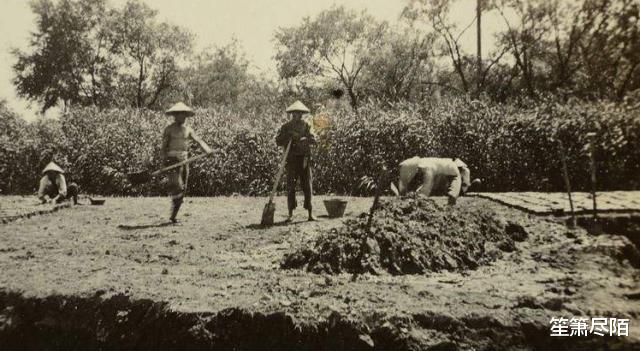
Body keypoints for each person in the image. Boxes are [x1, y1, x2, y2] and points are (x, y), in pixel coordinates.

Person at [161, 102, 212, 223]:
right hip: (171, 161)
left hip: (184, 161)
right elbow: (163, 149)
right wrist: (164, 162)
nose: (183, 117)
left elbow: (199, 141)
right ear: (175, 115)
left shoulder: (188, 129)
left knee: (183, 190)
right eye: (181, 115)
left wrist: (207, 150)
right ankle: (173, 205)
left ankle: (173, 217)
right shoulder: (169, 130)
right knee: (178, 187)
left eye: (185, 115)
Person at [276, 100, 317, 222]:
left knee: (307, 187)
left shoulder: (307, 126)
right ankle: (290, 214)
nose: (295, 116)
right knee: (290, 187)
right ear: (291, 114)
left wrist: (303, 138)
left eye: (298, 113)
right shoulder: (286, 127)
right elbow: (278, 141)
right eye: (293, 113)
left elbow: (314, 140)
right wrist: (289, 137)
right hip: (292, 160)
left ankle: (310, 213)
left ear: (301, 114)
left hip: (304, 160)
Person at [397, 157, 480, 205]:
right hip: (432, 167)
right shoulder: (455, 166)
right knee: (454, 185)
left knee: (425, 187)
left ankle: (451, 201)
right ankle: (451, 202)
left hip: (426, 165)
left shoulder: (452, 165)